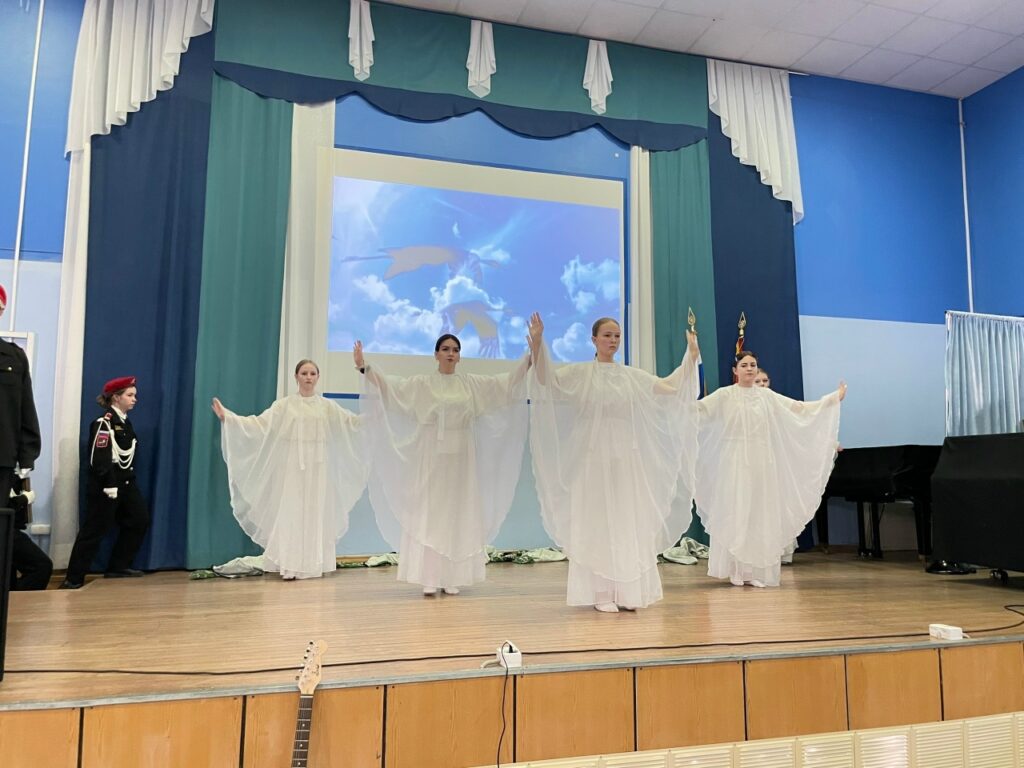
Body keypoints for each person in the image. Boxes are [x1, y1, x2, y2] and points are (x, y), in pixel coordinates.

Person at [528, 314, 700, 612]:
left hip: (625, 458)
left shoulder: (630, 376)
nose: (613, 340)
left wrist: (691, 357)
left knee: (624, 519)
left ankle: (626, 590)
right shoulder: (580, 373)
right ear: (594, 339)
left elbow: (669, 387)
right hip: (592, 458)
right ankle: (601, 591)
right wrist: (538, 343)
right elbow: (547, 379)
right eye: (607, 335)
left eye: (617, 335)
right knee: (597, 520)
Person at [354, 334, 529, 596]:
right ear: (436, 354)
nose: (450, 353)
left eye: (455, 350)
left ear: (459, 356)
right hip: (431, 457)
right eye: (445, 349)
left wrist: (529, 358)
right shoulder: (422, 384)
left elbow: (503, 384)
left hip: (461, 459)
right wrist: (364, 367)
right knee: (431, 513)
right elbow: (391, 387)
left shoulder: (470, 384)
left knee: (456, 512)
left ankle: (451, 576)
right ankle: (430, 576)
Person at [695, 349, 845, 588]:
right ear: (735, 370)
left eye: (753, 365)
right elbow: (698, 411)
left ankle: (752, 570)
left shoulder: (766, 396)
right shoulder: (724, 395)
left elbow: (798, 408)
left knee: (757, 514)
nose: (749, 369)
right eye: (744, 365)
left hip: (762, 462)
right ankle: (736, 569)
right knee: (737, 511)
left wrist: (831, 400)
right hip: (735, 462)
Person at [212, 360, 367, 580]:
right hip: (293, 468)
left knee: (315, 512)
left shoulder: (327, 406)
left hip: (318, 468)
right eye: (304, 373)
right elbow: (259, 425)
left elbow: (351, 424)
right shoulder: (285, 406)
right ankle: (290, 565)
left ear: (318, 377)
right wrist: (229, 418)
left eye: (312, 373)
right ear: (296, 377)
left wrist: (374, 416)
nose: (308, 377)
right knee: (292, 512)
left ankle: (313, 563)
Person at [62, 377, 150, 589]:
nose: (134, 399)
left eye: (134, 395)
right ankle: (73, 578)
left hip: (126, 483)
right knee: (94, 531)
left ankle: (118, 566)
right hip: (107, 486)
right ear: (116, 397)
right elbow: (99, 457)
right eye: (130, 395)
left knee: (139, 519)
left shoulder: (125, 422)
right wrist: (109, 484)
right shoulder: (104, 423)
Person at [752, 367, 795, 565]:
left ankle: (779, 550)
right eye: (758, 381)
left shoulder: (775, 402)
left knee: (775, 505)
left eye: (765, 381)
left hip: (773, 460)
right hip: (751, 462)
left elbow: (797, 421)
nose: (762, 385)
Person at [8, 471, 52, 590]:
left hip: (10, 528)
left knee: (8, 578)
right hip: (6, 531)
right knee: (41, 566)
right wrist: (24, 499)